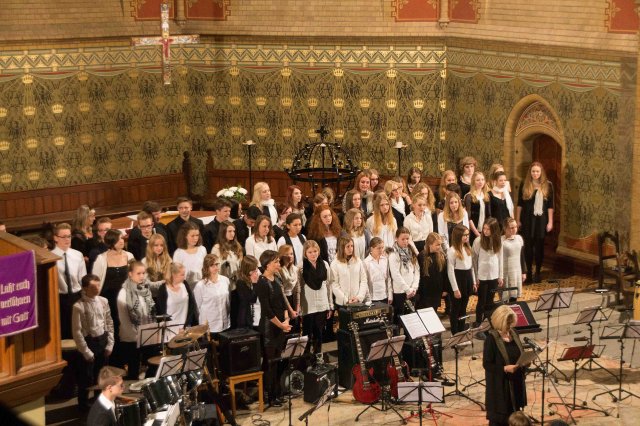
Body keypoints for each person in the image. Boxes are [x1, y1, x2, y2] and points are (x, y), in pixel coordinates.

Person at [72, 274, 114, 411]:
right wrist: (86, 352)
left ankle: (99, 402)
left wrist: (110, 344)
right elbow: (77, 332)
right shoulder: (78, 306)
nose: (97, 289)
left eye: (98, 285)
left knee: (101, 376)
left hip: (102, 340)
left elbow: (109, 323)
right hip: (89, 342)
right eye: (93, 286)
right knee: (86, 377)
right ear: (85, 288)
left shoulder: (103, 301)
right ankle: (83, 406)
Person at [255, 250, 291, 407]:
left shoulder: (277, 278)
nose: (278, 264)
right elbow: (267, 310)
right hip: (269, 328)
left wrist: (286, 319)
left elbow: (282, 301)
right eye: (275, 262)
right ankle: (269, 395)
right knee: (270, 363)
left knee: (278, 361)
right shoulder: (261, 283)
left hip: (281, 325)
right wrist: (281, 324)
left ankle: (277, 392)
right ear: (267, 264)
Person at [484, 305, 528, 425]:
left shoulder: (514, 333)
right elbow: (487, 364)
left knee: (515, 417)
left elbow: (520, 353)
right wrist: (504, 368)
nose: (509, 326)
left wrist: (525, 361)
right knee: (501, 420)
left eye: (511, 323)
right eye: (507, 323)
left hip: (516, 382)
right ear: (499, 321)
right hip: (500, 387)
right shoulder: (491, 339)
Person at [116, 261, 156, 379]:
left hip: (146, 335)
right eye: (138, 273)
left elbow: (148, 312)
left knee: (151, 365)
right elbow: (124, 320)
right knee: (133, 370)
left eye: (143, 273)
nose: (142, 276)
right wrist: (137, 336)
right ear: (130, 274)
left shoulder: (146, 290)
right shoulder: (124, 293)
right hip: (132, 338)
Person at [516, 162, 554, 283]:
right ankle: (528, 273)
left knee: (539, 247)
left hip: (541, 220)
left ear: (541, 172)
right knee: (528, 247)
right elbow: (520, 204)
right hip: (527, 219)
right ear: (530, 172)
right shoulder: (525, 184)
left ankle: (537, 271)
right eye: (533, 171)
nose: (535, 173)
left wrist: (550, 222)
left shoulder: (548, 185)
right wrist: (517, 219)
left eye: (537, 171)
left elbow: (550, 206)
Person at [94, 229, 134, 340]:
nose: (122, 241)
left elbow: (135, 276)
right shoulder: (101, 259)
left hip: (125, 298)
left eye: (122, 238)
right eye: (118, 239)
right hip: (109, 299)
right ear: (111, 241)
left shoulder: (129, 256)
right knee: (113, 326)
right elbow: (95, 281)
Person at [52, 222, 87, 339]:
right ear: (55, 238)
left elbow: (83, 278)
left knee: (79, 330)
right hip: (60, 298)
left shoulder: (78, 255)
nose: (67, 239)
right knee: (64, 331)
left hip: (77, 296)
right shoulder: (50, 257)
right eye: (64, 237)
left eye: (69, 236)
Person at [299, 240, 333, 354]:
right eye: (310, 252)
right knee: (307, 334)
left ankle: (318, 357)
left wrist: (330, 305)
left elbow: (328, 285)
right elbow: (298, 289)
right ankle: (306, 358)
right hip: (308, 306)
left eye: (315, 251)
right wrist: (299, 308)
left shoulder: (325, 264)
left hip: (322, 304)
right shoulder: (301, 266)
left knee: (319, 333)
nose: (313, 254)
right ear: (305, 253)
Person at [472, 217, 504, 326]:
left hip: (494, 275)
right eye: (484, 228)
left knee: (490, 301)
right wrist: (475, 277)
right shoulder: (478, 241)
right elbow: (474, 260)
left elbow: (500, 259)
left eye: (488, 229)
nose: (485, 231)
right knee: (481, 301)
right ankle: (478, 322)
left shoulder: (498, 241)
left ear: (494, 230)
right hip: (481, 276)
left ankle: (488, 322)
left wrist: (500, 276)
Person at [447, 224, 475, 334]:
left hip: (467, 279)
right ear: (458, 236)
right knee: (456, 309)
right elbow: (450, 271)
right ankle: (455, 333)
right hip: (458, 280)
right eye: (464, 235)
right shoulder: (452, 250)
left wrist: (473, 281)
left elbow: (471, 267)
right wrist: (455, 289)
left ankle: (462, 330)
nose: (467, 237)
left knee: (463, 308)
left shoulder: (467, 248)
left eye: (468, 234)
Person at [389, 227, 420, 323]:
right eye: (403, 239)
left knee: (410, 319)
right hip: (400, 291)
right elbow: (395, 274)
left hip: (412, 290)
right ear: (396, 238)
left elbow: (417, 270)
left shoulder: (411, 251)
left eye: (407, 239)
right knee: (399, 319)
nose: (405, 241)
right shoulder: (393, 254)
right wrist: (407, 289)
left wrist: (414, 287)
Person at [193, 254, 231, 334]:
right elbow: (197, 308)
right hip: (209, 327)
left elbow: (228, 301)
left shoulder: (225, 280)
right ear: (207, 267)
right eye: (212, 265)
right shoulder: (200, 285)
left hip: (225, 324)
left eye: (217, 264)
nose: (215, 267)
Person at [156, 262, 199, 327]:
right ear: (174, 275)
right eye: (182, 275)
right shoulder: (163, 289)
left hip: (185, 327)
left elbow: (192, 305)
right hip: (169, 328)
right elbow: (161, 312)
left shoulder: (185, 284)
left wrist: (186, 325)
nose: (184, 277)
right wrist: (174, 327)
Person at [330, 236, 368, 306]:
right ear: (342, 248)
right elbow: (334, 285)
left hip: (357, 301)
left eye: (352, 246)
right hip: (342, 304)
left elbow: (363, 280)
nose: (351, 249)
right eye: (348, 246)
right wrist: (346, 300)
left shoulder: (358, 261)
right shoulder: (334, 263)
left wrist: (359, 297)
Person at [417, 233, 446, 311]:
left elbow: (444, 274)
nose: (440, 247)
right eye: (437, 245)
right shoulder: (422, 256)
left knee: (434, 311)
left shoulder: (441, 256)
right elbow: (419, 275)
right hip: (425, 292)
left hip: (436, 291)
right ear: (430, 244)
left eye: (440, 244)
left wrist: (445, 289)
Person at [172, 222, 207, 288]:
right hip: (185, 286)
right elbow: (176, 274)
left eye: (197, 235)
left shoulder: (202, 249)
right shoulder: (178, 253)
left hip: (201, 286)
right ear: (185, 236)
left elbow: (205, 269)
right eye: (192, 236)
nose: (195, 238)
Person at [230, 255, 260, 329]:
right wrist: (255, 283)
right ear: (248, 269)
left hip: (258, 315)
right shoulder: (241, 282)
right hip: (247, 319)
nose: (256, 270)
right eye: (254, 268)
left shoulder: (257, 277)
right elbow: (252, 299)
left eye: (256, 267)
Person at [212, 220, 244, 288]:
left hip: (237, 283)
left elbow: (241, 265)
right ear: (223, 232)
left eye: (234, 231)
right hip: (223, 284)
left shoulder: (238, 246)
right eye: (229, 231)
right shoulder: (217, 248)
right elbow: (214, 268)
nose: (232, 234)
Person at [464, 171, 491, 246]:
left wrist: (487, 230)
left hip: (485, 230)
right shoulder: (469, 196)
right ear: (473, 182)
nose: (480, 182)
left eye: (482, 179)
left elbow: (489, 215)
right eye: (478, 180)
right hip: (473, 231)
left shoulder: (486, 195)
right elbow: (469, 218)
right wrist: (477, 233)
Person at [277, 245, 301, 331]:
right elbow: (282, 293)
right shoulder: (278, 270)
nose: (290, 256)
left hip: (293, 299)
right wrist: (290, 310)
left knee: (296, 327)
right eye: (287, 254)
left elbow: (297, 289)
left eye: (291, 254)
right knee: (286, 329)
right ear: (281, 256)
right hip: (283, 302)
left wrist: (297, 308)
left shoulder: (295, 269)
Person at [502, 218, 526, 301]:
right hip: (506, 272)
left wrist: (523, 272)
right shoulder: (501, 241)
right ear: (505, 228)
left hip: (517, 271)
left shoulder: (519, 238)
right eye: (511, 228)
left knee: (514, 297)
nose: (514, 229)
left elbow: (522, 256)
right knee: (505, 298)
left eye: (515, 227)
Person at [364, 237, 392, 304]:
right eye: (378, 248)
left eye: (382, 248)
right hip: (373, 298)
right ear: (372, 248)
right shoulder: (366, 262)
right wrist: (368, 299)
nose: (381, 250)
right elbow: (365, 282)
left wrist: (390, 295)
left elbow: (388, 278)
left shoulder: (385, 260)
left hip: (385, 296)